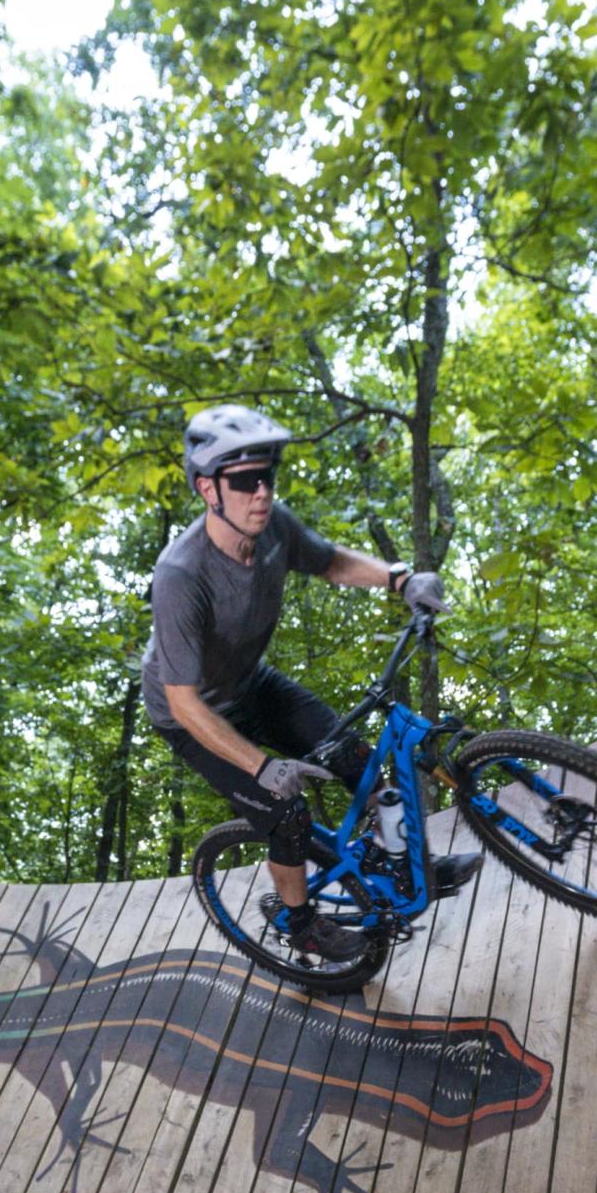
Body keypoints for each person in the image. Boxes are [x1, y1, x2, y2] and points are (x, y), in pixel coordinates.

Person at [144, 404, 478, 964]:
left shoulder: (273, 527)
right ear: (207, 489)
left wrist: (399, 579)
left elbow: (330, 562)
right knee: (287, 814)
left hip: (251, 684)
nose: (262, 493)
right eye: (244, 481)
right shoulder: (181, 575)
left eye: (267, 476)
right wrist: (263, 768)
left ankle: (407, 866)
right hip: (191, 714)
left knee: (356, 758)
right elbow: (184, 704)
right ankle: (299, 923)